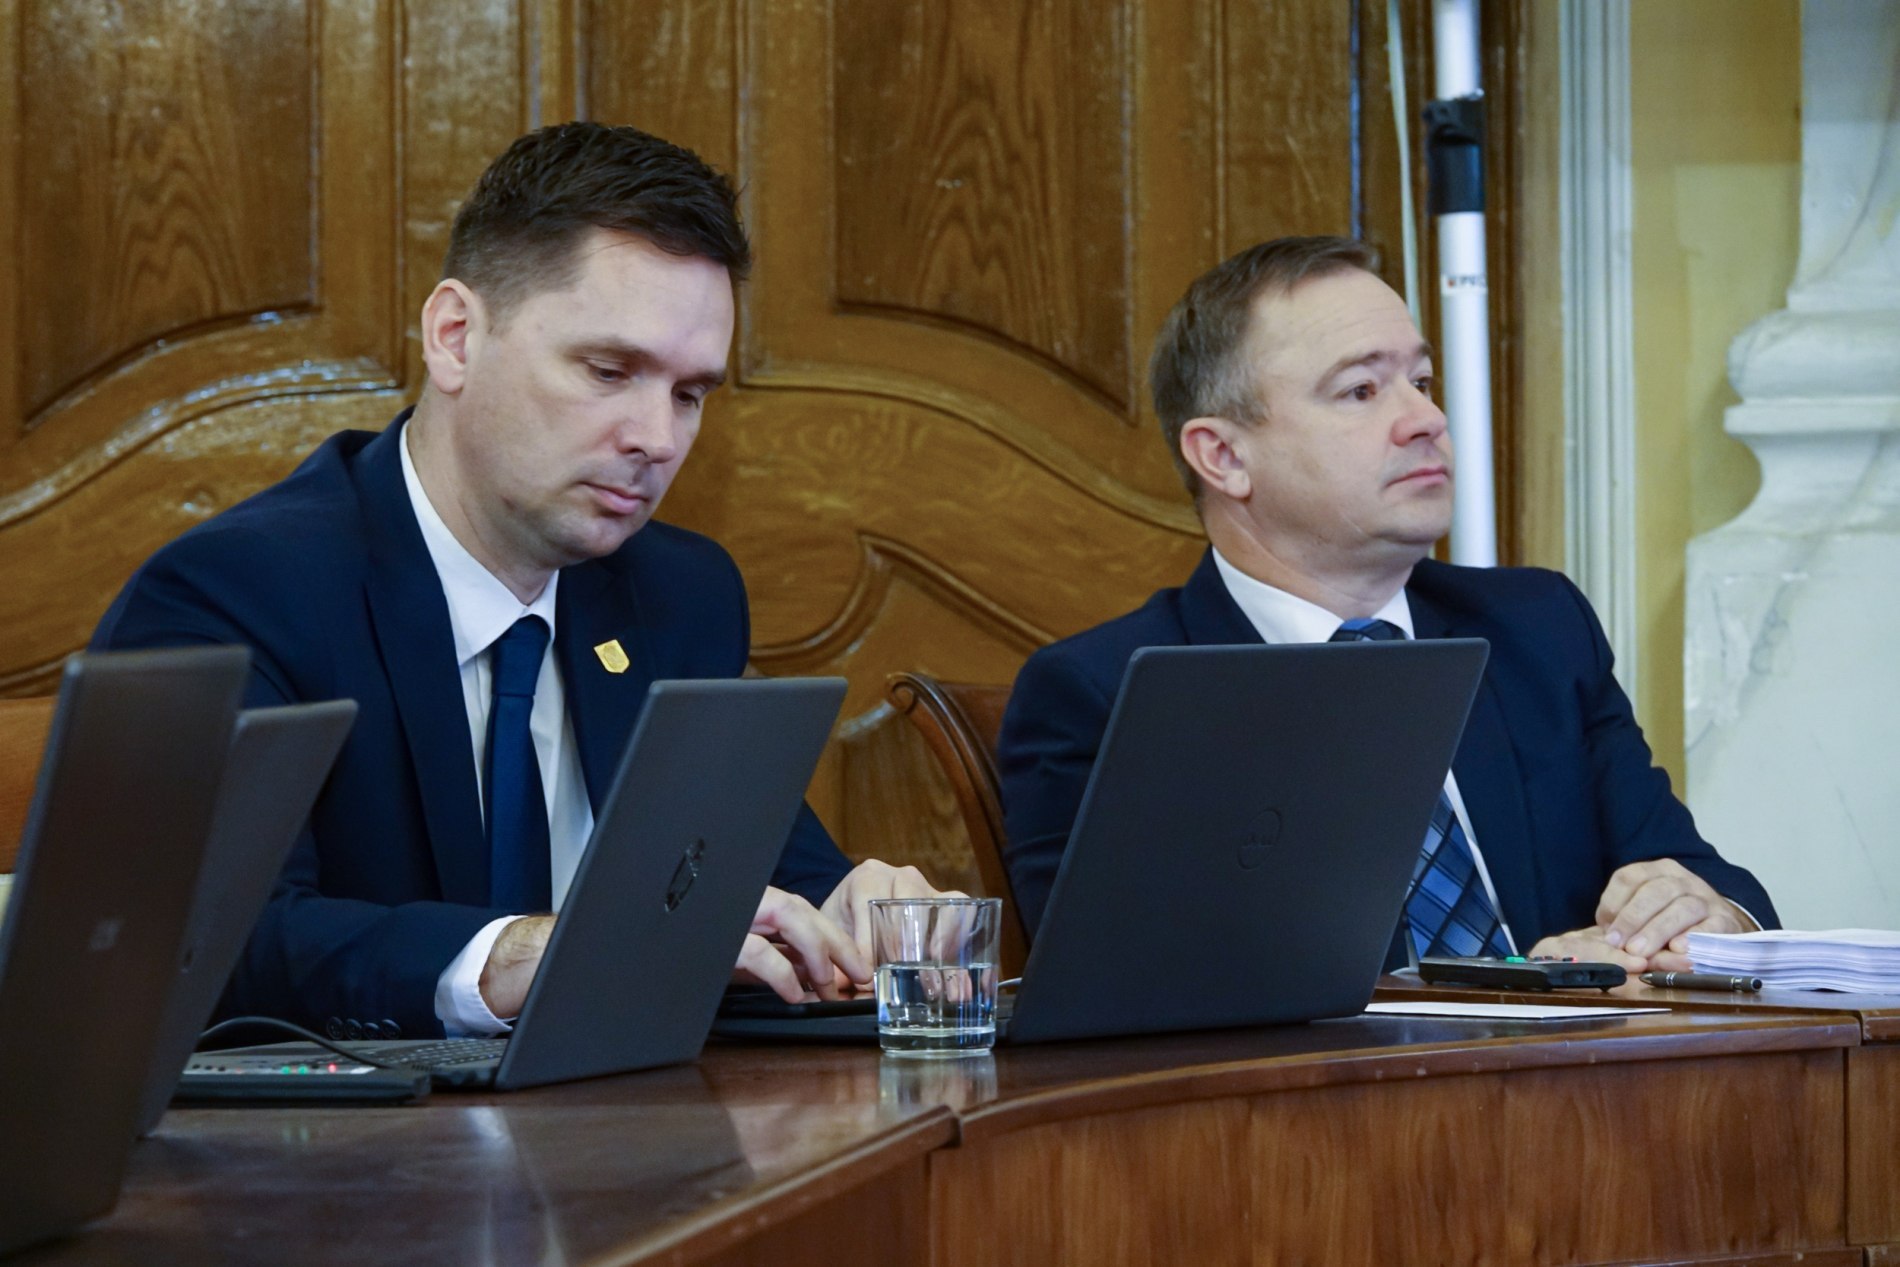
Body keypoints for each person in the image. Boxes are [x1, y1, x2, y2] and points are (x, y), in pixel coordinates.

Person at [94, 123, 947, 1038]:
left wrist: (850, 907)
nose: (657, 439)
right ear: (456, 337)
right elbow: (211, 944)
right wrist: (518, 955)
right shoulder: (239, 595)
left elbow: (756, 881)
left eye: (689, 394)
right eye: (609, 371)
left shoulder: (681, 598)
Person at [997, 236, 1776, 973]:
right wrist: (1508, 996)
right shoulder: (1108, 694)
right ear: (1224, 455)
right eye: (1362, 390)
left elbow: (1706, 878)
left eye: (1423, 382)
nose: (1427, 420)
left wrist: (1706, 915)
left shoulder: (1537, 628)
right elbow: (1121, 995)